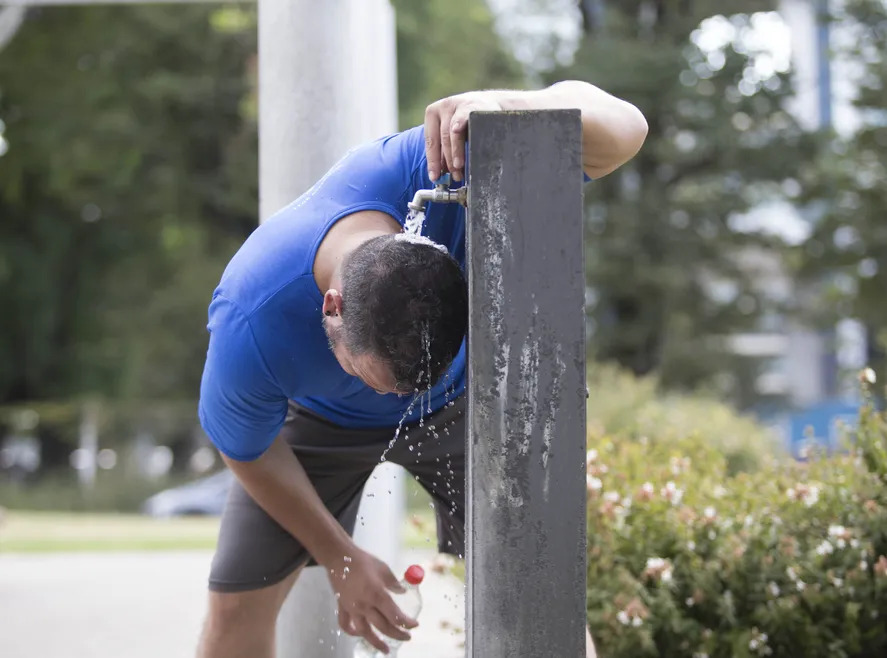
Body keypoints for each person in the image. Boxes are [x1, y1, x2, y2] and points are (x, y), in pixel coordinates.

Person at [196, 80, 647, 658]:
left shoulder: (441, 165)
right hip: (322, 424)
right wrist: (341, 557)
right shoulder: (251, 317)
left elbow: (627, 131)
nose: (394, 402)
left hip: (463, 406)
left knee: (542, 591)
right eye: (370, 377)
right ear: (331, 307)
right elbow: (246, 447)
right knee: (235, 606)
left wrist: (507, 105)